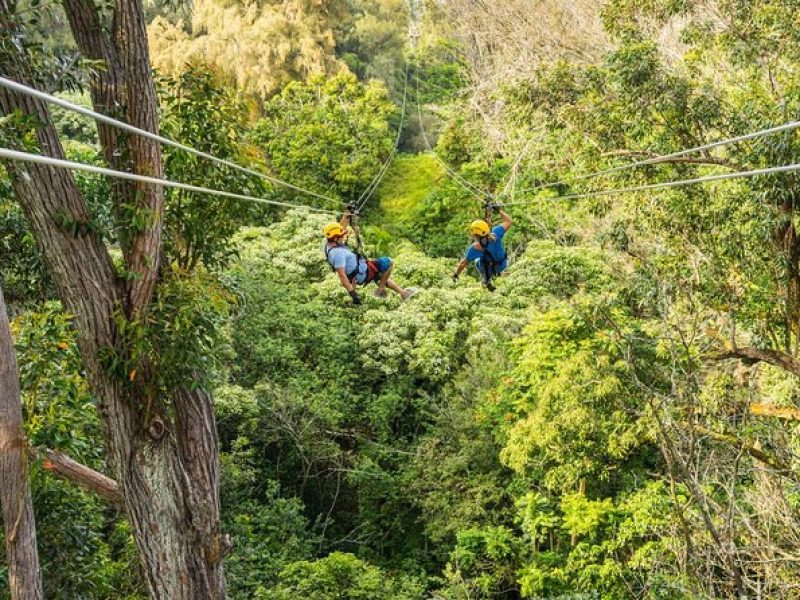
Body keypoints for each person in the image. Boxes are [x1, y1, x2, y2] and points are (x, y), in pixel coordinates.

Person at [323, 211, 419, 305]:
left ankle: (403, 293)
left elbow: (340, 227)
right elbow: (342, 275)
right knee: (389, 262)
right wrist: (353, 294)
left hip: (361, 268)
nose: (343, 237)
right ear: (335, 239)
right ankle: (380, 290)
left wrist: (346, 214)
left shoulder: (328, 244)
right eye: (341, 237)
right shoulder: (338, 254)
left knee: (381, 276)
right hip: (363, 272)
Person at [452, 206, 512, 291]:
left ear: (475, 235)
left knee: (477, 261)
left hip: (491, 269)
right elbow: (508, 221)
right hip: (503, 264)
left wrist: (456, 274)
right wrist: (500, 211)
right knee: (485, 257)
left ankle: (486, 280)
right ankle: (489, 280)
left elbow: (463, 264)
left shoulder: (475, 248)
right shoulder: (496, 233)